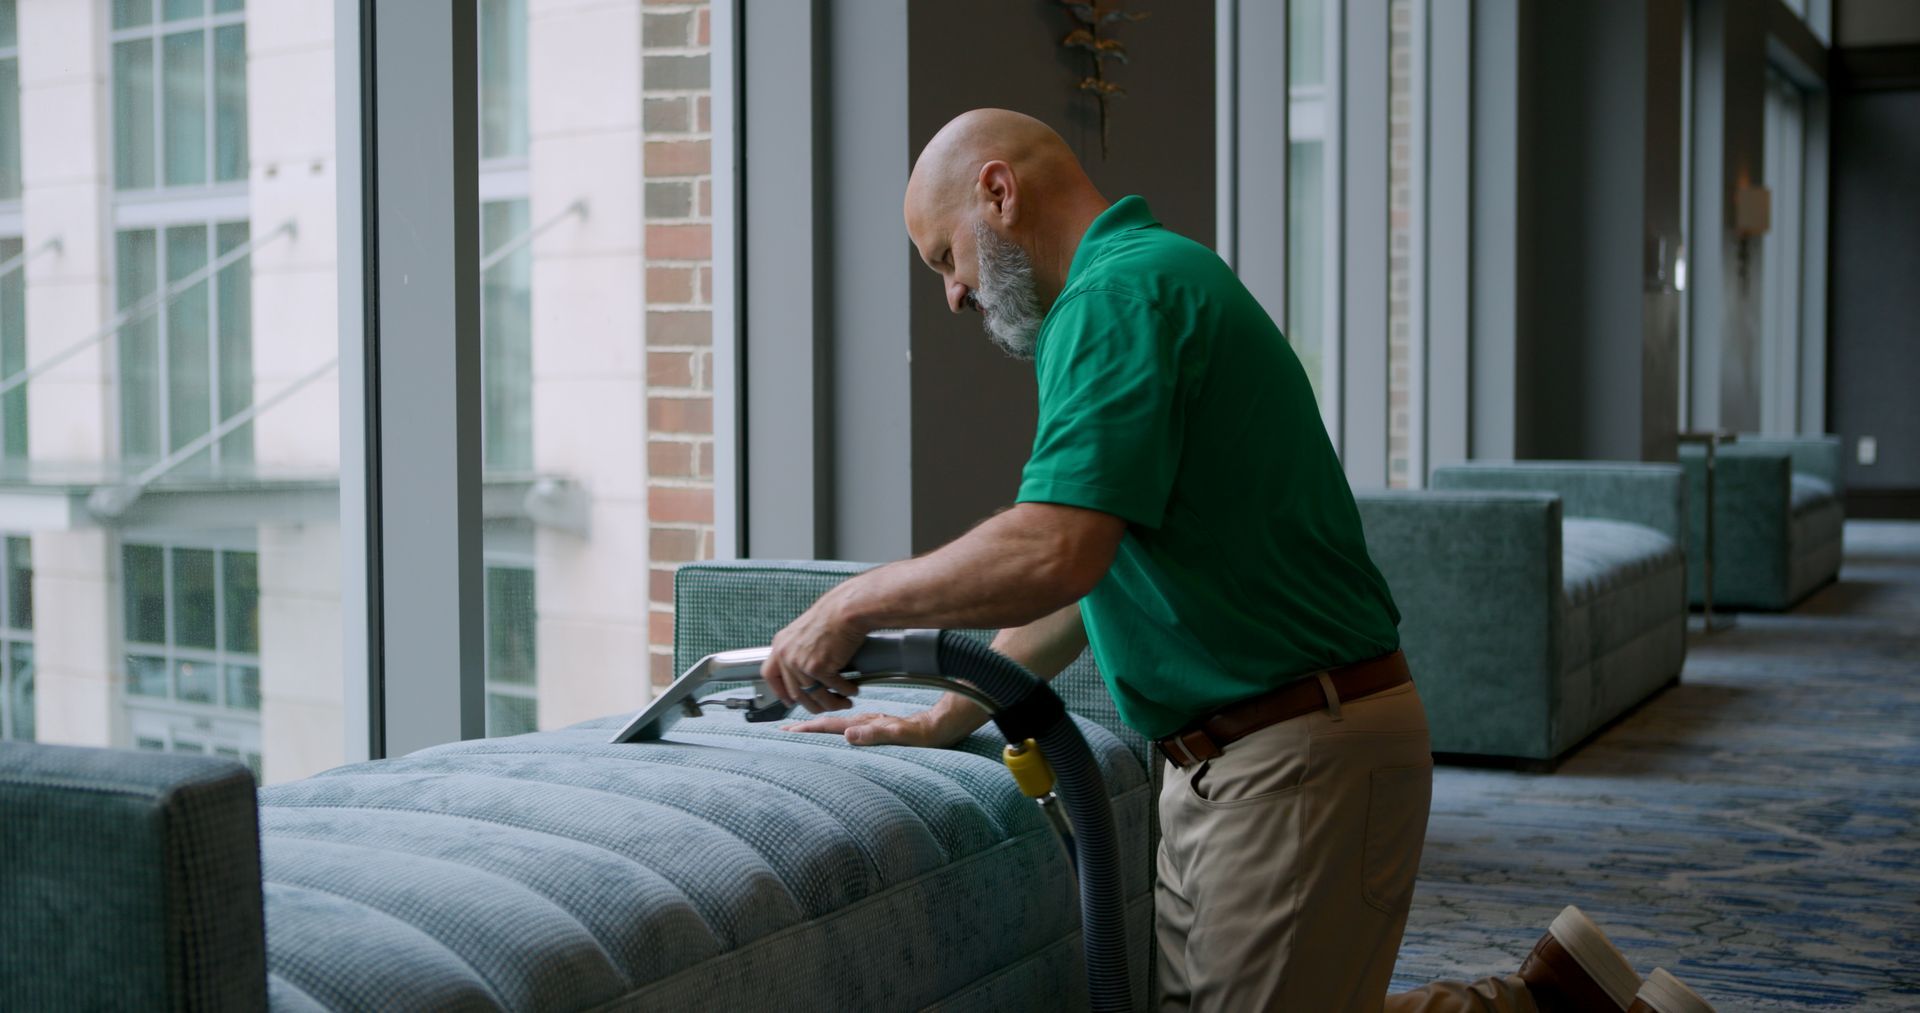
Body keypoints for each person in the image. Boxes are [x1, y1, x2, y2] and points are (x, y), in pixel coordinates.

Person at [762, 108, 1713, 1013]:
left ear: (999, 193)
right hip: (1242, 758)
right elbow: (1092, 573)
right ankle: (1550, 1001)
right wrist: (951, 710)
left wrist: (852, 604)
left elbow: (1056, 547)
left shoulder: (1117, 298)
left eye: (945, 256)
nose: (954, 293)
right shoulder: (1136, 285)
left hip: (1291, 750)